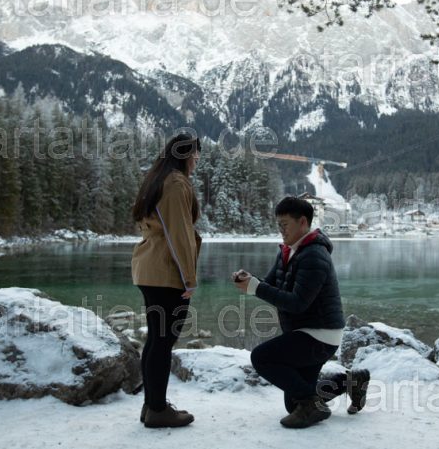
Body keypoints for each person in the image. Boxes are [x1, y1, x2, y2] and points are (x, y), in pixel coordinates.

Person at [233, 196, 371, 429]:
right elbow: (270, 285)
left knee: (261, 357)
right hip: (304, 333)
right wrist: (250, 280)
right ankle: (350, 382)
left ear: (303, 222)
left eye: (285, 224)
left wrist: (255, 287)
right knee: (293, 404)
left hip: (320, 336)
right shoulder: (287, 252)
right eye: (278, 224)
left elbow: (297, 304)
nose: (281, 230)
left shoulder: (315, 255)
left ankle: (312, 405)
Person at [131, 133, 201, 428]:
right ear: (184, 155)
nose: (196, 160)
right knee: (163, 341)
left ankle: (152, 405)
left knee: (156, 340)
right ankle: (158, 409)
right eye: (195, 155)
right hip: (165, 271)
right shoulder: (174, 183)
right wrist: (189, 279)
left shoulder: (158, 179)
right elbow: (179, 233)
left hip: (149, 268)